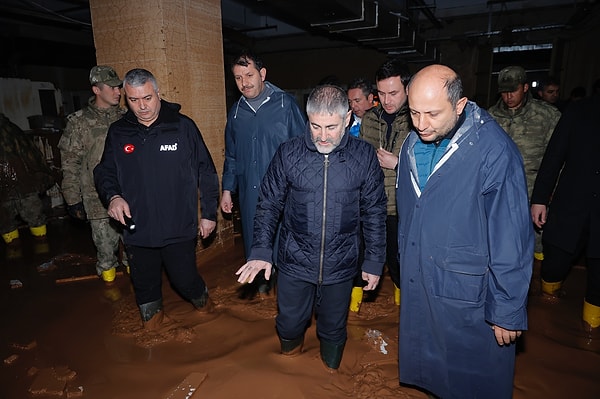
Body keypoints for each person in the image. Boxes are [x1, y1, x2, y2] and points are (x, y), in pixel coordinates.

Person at [396, 64, 533, 398]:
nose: (420, 124)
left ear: (459, 106)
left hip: (468, 291)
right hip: (424, 280)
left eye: (431, 113)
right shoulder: (412, 144)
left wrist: (507, 309)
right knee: (435, 374)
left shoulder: (493, 150)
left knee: (472, 379)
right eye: (413, 112)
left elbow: (511, 236)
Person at [235, 85, 386, 371]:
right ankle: (290, 370)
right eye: (315, 126)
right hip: (294, 261)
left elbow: (374, 211)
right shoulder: (288, 153)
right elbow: (268, 205)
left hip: (341, 265)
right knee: (289, 324)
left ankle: (329, 375)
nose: (322, 136)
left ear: (347, 120)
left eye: (331, 127)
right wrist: (261, 250)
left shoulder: (364, 157)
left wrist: (375, 260)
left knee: (332, 327)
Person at [94, 68, 219, 326]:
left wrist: (208, 214)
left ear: (158, 93)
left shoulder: (182, 127)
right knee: (145, 290)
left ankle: (208, 307)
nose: (142, 107)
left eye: (147, 98)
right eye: (134, 100)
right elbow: (104, 171)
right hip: (137, 228)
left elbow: (206, 171)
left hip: (178, 226)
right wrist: (113, 196)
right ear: (126, 99)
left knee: (185, 280)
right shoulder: (119, 132)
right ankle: (153, 329)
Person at [220, 50, 306, 296]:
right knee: (256, 245)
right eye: (238, 78)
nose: (244, 82)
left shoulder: (285, 104)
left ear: (262, 74)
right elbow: (232, 156)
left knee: (289, 246)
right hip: (250, 196)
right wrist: (228, 190)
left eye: (249, 75)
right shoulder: (236, 114)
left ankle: (290, 294)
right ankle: (263, 294)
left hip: (286, 194)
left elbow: (302, 150)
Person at [530, 85, 600, 331]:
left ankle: (590, 327)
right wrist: (539, 199)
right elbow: (554, 156)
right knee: (554, 265)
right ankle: (548, 306)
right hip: (570, 206)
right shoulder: (579, 111)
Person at [58, 65, 126, 284]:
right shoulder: (79, 123)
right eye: (112, 87)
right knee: (106, 253)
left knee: (137, 250)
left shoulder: (127, 117)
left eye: (119, 87)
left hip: (131, 195)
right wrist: (73, 199)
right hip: (97, 198)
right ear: (96, 90)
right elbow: (70, 163)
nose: (118, 92)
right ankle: (111, 302)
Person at [488, 66, 561, 262]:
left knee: (537, 247)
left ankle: (538, 286)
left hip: (533, 195)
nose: (508, 96)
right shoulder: (489, 118)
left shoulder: (547, 116)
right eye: (504, 91)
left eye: (514, 90)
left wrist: (551, 191)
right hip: (499, 195)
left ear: (526, 87)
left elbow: (558, 158)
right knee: (499, 247)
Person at [357, 58, 411, 311]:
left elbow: (435, 169)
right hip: (372, 203)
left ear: (407, 90)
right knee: (360, 256)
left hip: (403, 207)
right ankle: (352, 310)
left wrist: (399, 164)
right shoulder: (370, 119)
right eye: (381, 93)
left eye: (393, 93)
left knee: (400, 261)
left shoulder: (417, 119)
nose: (387, 100)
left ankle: (403, 314)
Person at [1, 113, 54, 252]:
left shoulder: (13, 131)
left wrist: (40, 177)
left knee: (33, 216)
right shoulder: (14, 129)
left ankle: (41, 252)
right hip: (13, 189)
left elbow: (30, 155)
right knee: (7, 221)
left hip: (25, 185)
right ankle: (18, 256)